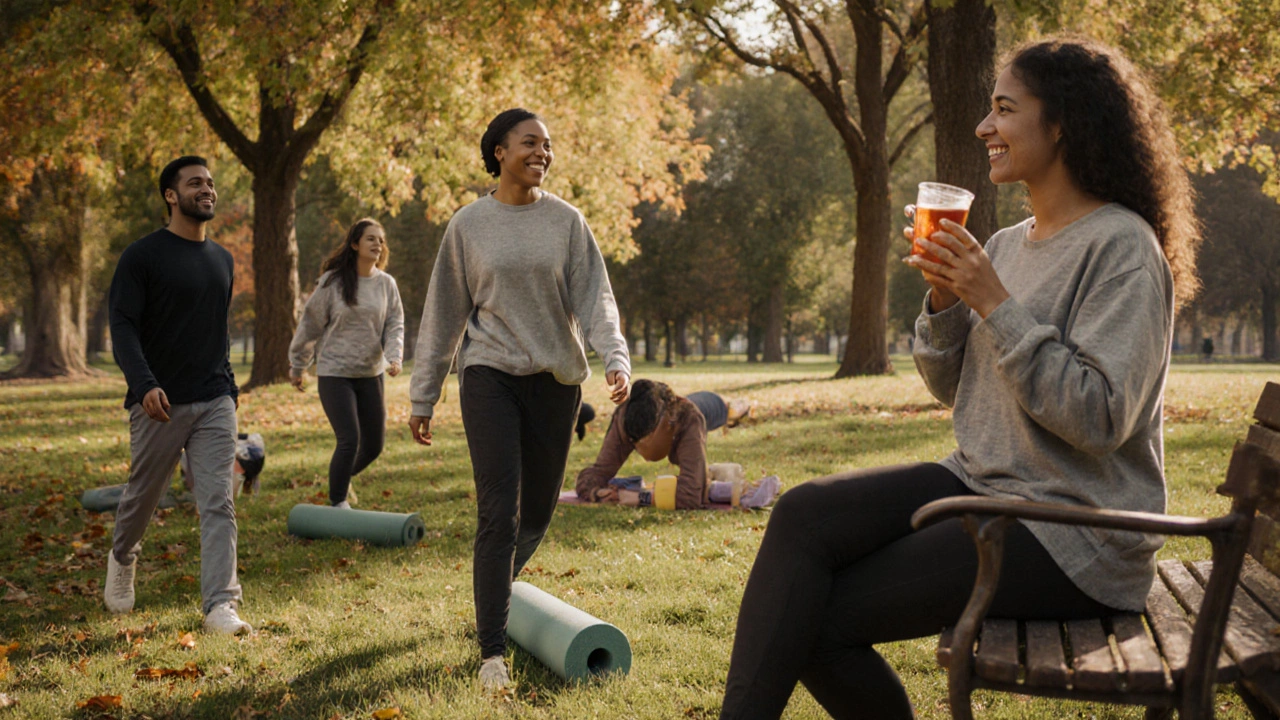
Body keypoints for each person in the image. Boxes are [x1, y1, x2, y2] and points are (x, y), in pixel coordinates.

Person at [718, 36, 1200, 719]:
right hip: (986, 487)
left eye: (1004, 109)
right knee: (803, 513)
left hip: (1077, 529)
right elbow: (955, 392)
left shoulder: (1123, 248)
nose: (983, 127)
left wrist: (994, 304)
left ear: (1062, 124)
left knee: (815, 617)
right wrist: (948, 303)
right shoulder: (1004, 245)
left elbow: (1098, 418)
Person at [407, 108, 631, 690]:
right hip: (490, 375)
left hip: (556, 382)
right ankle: (491, 653)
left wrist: (616, 357)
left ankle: (491, 601)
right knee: (498, 512)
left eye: (548, 145)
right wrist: (423, 394)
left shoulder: (566, 221)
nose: (542, 152)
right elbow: (444, 314)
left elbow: (595, 298)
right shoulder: (468, 225)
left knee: (536, 512)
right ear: (499, 151)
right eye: (530, 142)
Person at [105, 156, 252, 634]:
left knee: (218, 500)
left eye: (210, 183)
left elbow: (216, 332)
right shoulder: (142, 257)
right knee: (144, 495)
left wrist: (229, 389)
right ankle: (123, 556)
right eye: (195, 183)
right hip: (159, 403)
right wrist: (144, 383)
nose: (206, 189)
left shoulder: (223, 260)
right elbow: (123, 327)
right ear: (172, 195)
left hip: (214, 399)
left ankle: (220, 607)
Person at [288, 218, 405, 508]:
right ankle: (338, 503)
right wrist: (298, 364)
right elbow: (310, 325)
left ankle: (339, 478)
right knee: (349, 439)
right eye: (371, 239)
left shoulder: (386, 284)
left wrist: (394, 356)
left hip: (370, 373)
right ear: (355, 244)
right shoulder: (333, 282)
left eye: (381, 239)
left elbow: (395, 324)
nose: (378, 244)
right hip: (335, 373)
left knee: (374, 445)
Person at [574, 381, 768, 509]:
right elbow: (593, 475)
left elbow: (692, 494)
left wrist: (639, 498)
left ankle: (738, 406)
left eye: (646, 440)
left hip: (706, 407)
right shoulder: (624, 419)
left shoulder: (688, 418)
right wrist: (598, 492)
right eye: (636, 443)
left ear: (668, 423)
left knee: (724, 410)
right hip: (665, 406)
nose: (641, 449)